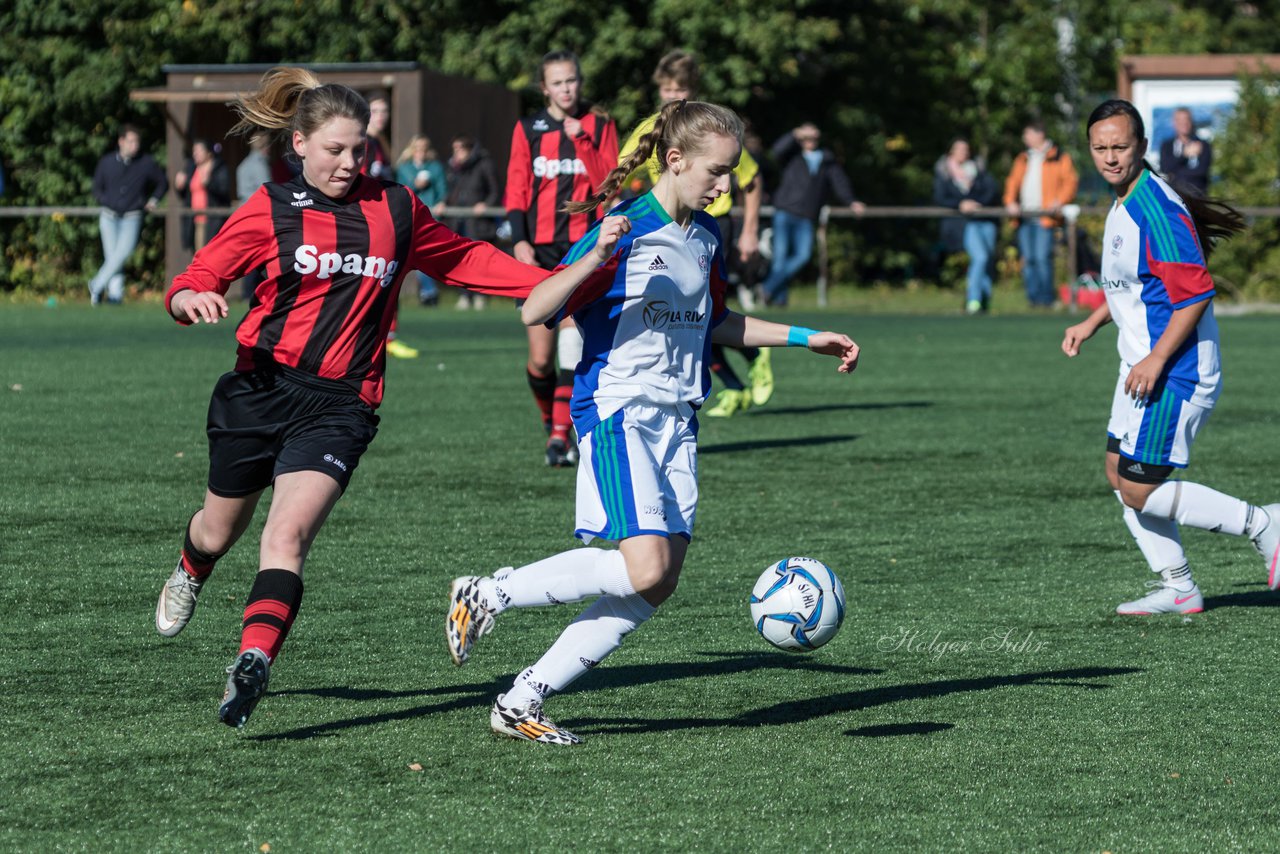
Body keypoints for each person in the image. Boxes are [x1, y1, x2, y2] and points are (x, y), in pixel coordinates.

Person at [152, 67, 620, 731]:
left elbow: (466, 261)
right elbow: (197, 275)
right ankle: (190, 568)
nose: (350, 162)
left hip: (341, 403)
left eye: (360, 148)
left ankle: (253, 660)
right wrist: (188, 296)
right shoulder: (269, 209)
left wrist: (563, 278)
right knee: (218, 529)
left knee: (286, 536)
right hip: (259, 390)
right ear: (301, 147)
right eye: (336, 150)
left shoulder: (396, 209)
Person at [445, 100, 860, 744]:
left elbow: (717, 323)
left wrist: (807, 337)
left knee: (658, 584)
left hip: (678, 421)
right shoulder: (626, 228)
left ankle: (521, 700)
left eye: (732, 173)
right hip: (617, 411)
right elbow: (536, 308)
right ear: (676, 160)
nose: (727, 186)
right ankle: (492, 592)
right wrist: (593, 255)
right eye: (718, 172)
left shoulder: (704, 236)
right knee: (644, 569)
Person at [1061, 98, 1278, 616]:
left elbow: (1196, 292)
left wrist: (1157, 359)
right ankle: (1178, 586)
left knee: (1138, 489)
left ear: (1140, 147)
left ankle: (1265, 524)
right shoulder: (1122, 200)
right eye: (1101, 147)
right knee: (1119, 475)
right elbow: (1137, 289)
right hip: (1140, 367)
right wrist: (1092, 322)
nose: (1110, 156)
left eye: (1120, 146)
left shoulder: (1153, 206)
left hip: (1175, 371)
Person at [619, 49, 772, 419]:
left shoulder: (711, 132)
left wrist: (750, 232)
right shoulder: (652, 127)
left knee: (696, 315)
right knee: (686, 317)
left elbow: (750, 180)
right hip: (670, 227)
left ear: (693, 89)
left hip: (711, 225)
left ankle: (753, 352)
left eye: (681, 88)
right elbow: (620, 170)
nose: (673, 96)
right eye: (667, 89)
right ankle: (736, 383)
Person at [506, 50, 619, 467]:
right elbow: (516, 186)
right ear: (544, 88)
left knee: (571, 344)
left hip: (583, 248)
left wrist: (583, 139)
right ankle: (550, 421)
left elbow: (610, 181)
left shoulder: (600, 124)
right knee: (539, 358)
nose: (566, 89)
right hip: (536, 249)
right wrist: (519, 240)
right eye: (557, 83)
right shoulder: (528, 128)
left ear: (579, 81)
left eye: (571, 80)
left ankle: (558, 436)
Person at [758, 123, 864, 308]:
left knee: (803, 256)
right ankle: (779, 301)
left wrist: (851, 201)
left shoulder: (827, 160)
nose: (809, 141)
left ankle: (767, 288)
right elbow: (776, 150)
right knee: (779, 259)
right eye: (805, 138)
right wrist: (794, 133)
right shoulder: (792, 156)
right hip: (784, 211)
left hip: (806, 215)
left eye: (812, 137)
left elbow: (840, 183)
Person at [360, 92, 418, 358]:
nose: (381, 116)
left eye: (385, 111)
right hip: (366, 222)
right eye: (376, 111)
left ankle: (388, 337)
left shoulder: (378, 143)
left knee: (388, 277)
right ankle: (378, 337)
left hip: (383, 220)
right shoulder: (362, 143)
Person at [87, 124, 168, 304]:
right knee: (112, 257)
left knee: (122, 253)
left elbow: (162, 182)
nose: (134, 145)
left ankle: (96, 285)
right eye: (131, 141)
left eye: (137, 142)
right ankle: (115, 296)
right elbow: (97, 188)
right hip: (109, 216)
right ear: (121, 141)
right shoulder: (107, 162)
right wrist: (107, 200)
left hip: (132, 216)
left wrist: (153, 200)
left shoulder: (146, 163)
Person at [1003, 120, 1078, 308]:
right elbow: (1012, 182)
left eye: (1027, 134)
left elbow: (1070, 182)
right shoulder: (1023, 158)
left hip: (1046, 218)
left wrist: (1059, 201)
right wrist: (1010, 201)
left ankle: (1046, 299)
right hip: (1024, 217)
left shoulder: (1059, 156)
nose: (1024, 138)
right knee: (1028, 259)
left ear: (1039, 134)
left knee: (1042, 257)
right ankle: (1033, 299)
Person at [933, 138, 1001, 314]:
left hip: (986, 221)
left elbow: (992, 190)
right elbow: (940, 198)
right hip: (964, 224)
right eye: (959, 149)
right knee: (980, 258)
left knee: (986, 261)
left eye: (966, 149)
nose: (964, 152)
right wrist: (961, 204)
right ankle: (973, 300)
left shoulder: (979, 169)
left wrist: (976, 203)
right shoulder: (944, 172)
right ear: (951, 151)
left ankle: (984, 300)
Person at [439, 135, 501, 310]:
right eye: (454, 148)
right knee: (460, 260)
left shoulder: (484, 164)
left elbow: (495, 190)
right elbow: (451, 191)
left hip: (479, 222)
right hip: (458, 221)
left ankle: (480, 295)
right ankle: (464, 295)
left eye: (460, 148)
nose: (457, 152)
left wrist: (486, 204)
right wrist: (444, 202)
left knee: (479, 259)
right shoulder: (453, 168)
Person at [395, 135, 449, 306]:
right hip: (410, 215)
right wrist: (416, 185)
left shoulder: (435, 167)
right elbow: (400, 190)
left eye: (424, 149)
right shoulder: (404, 168)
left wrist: (442, 201)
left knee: (426, 254)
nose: (421, 153)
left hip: (431, 215)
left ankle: (428, 292)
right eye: (417, 149)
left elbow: (442, 188)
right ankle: (429, 292)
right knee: (415, 254)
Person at [174, 138, 232, 252]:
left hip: (213, 219)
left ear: (209, 153)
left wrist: (209, 183)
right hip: (195, 218)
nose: (195, 153)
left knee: (209, 253)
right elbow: (186, 196)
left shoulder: (219, 168)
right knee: (197, 253)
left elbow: (224, 191)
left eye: (199, 150)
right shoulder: (191, 167)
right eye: (194, 150)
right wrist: (180, 187)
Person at [234, 135, 272, 301]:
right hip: (258, 212)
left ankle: (246, 292)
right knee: (259, 255)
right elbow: (267, 188)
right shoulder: (259, 165)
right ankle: (251, 292)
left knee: (249, 253)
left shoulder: (243, 164)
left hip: (245, 210)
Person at [1158, 107, 1212, 196]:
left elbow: (1202, 172)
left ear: (1191, 122)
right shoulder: (1167, 146)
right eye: (1180, 120)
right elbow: (1165, 168)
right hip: (1174, 195)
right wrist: (1184, 155)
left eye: (1187, 119)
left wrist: (1175, 175)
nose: (1184, 123)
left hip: (1197, 196)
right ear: (1174, 123)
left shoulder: (1203, 145)